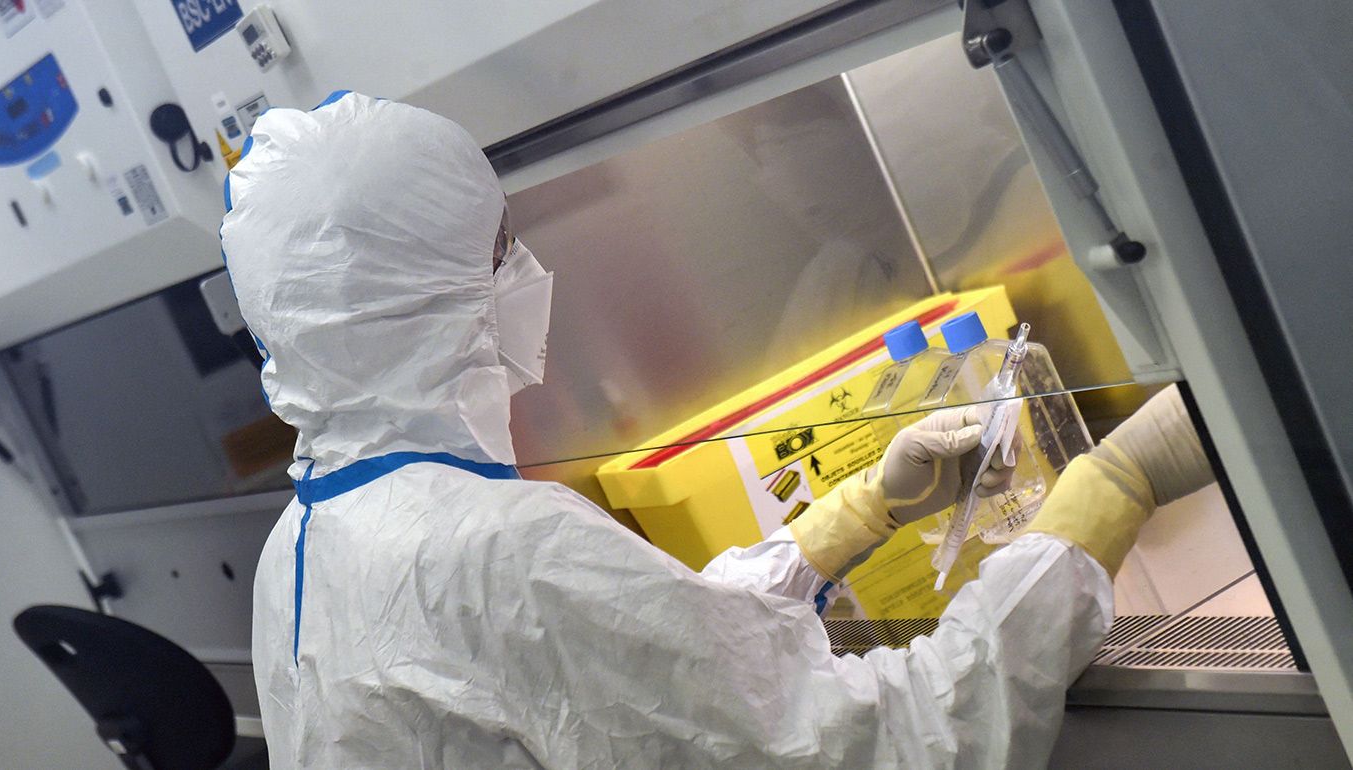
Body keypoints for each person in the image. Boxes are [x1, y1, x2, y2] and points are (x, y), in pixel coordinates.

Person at [222, 92, 1214, 768]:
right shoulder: (493, 547)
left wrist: (857, 513)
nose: (518, 274)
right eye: (497, 248)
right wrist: (1106, 494)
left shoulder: (308, 546)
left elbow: (633, 657)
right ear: (424, 296)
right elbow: (888, 741)